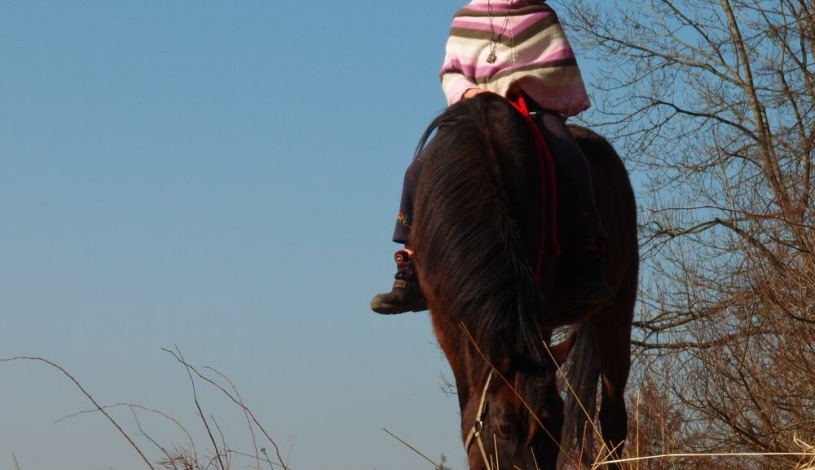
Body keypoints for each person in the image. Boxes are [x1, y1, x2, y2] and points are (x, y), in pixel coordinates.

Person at [371, 0, 614, 314]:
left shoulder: (540, 16)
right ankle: (412, 266)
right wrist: (471, 93)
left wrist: (525, 89)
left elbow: (553, 68)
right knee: (418, 170)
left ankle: (586, 259)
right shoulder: (466, 18)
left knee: (570, 158)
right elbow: (452, 72)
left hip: (532, 113)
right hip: (476, 114)